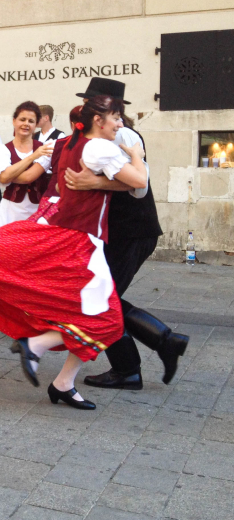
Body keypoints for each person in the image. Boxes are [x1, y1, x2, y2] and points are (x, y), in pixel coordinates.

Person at [0, 95, 149, 410]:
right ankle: (40, 349)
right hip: (79, 241)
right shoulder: (98, 147)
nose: (120, 123)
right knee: (104, 319)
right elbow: (140, 183)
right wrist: (137, 155)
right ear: (98, 120)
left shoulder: (67, 145)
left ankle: (61, 380)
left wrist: (92, 181)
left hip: (66, 231)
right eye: (115, 117)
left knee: (89, 314)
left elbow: (58, 184)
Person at [59, 79, 189, 389]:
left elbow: (139, 186)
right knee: (102, 298)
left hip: (132, 230)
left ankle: (135, 364)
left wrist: (96, 184)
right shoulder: (96, 136)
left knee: (102, 300)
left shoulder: (122, 134)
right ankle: (160, 343)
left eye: (94, 102)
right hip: (119, 231)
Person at [0, 101, 53, 227]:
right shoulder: (2, 149)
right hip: (11, 210)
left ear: (36, 125)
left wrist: (9, 175)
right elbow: (3, 178)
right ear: (14, 121)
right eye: (22, 119)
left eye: (31, 121)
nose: (26, 124)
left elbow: (27, 177)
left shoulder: (45, 148)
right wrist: (33, 156)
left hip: (39, 209)